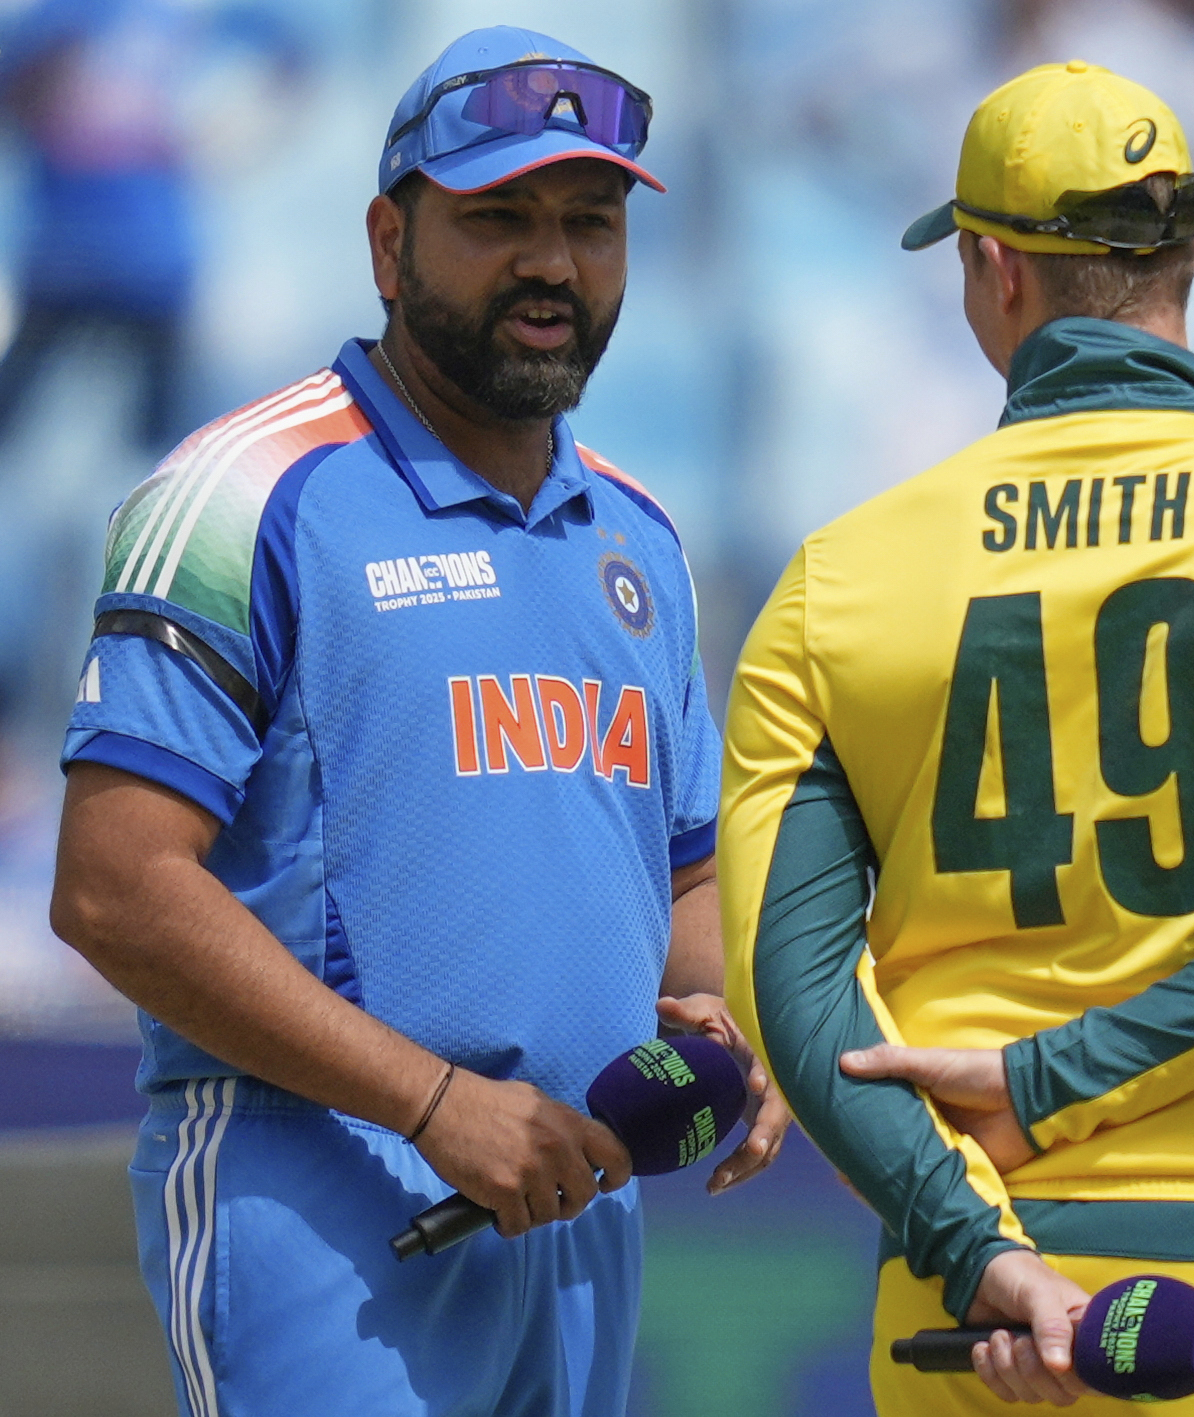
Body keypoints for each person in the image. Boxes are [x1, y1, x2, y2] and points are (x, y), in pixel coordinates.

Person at [721, 61, 1194, 1412]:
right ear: (1190, 249)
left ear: (991, 269)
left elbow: (798, 1005)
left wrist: (981, 1252)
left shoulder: (835, 584)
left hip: (976, 1313)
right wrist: (1047, 1080)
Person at [47, 27, 787, 1417]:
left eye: (590, 220)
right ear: (389, 243)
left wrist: (713, 1014)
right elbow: (111, 891)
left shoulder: (640, 531)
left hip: (576, 1200)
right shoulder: (246, 494)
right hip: (321, 1184)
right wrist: (436, 1106)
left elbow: (682, 873)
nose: (552, 263)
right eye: (496, 217)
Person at [0, 0, 305, 451]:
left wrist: (245, 130)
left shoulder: (191, 16)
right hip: (63, 262)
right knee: (17, 428)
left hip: (152, 267)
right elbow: (18, 98)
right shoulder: (55, 18)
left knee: (161, 449)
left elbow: (291, 60)